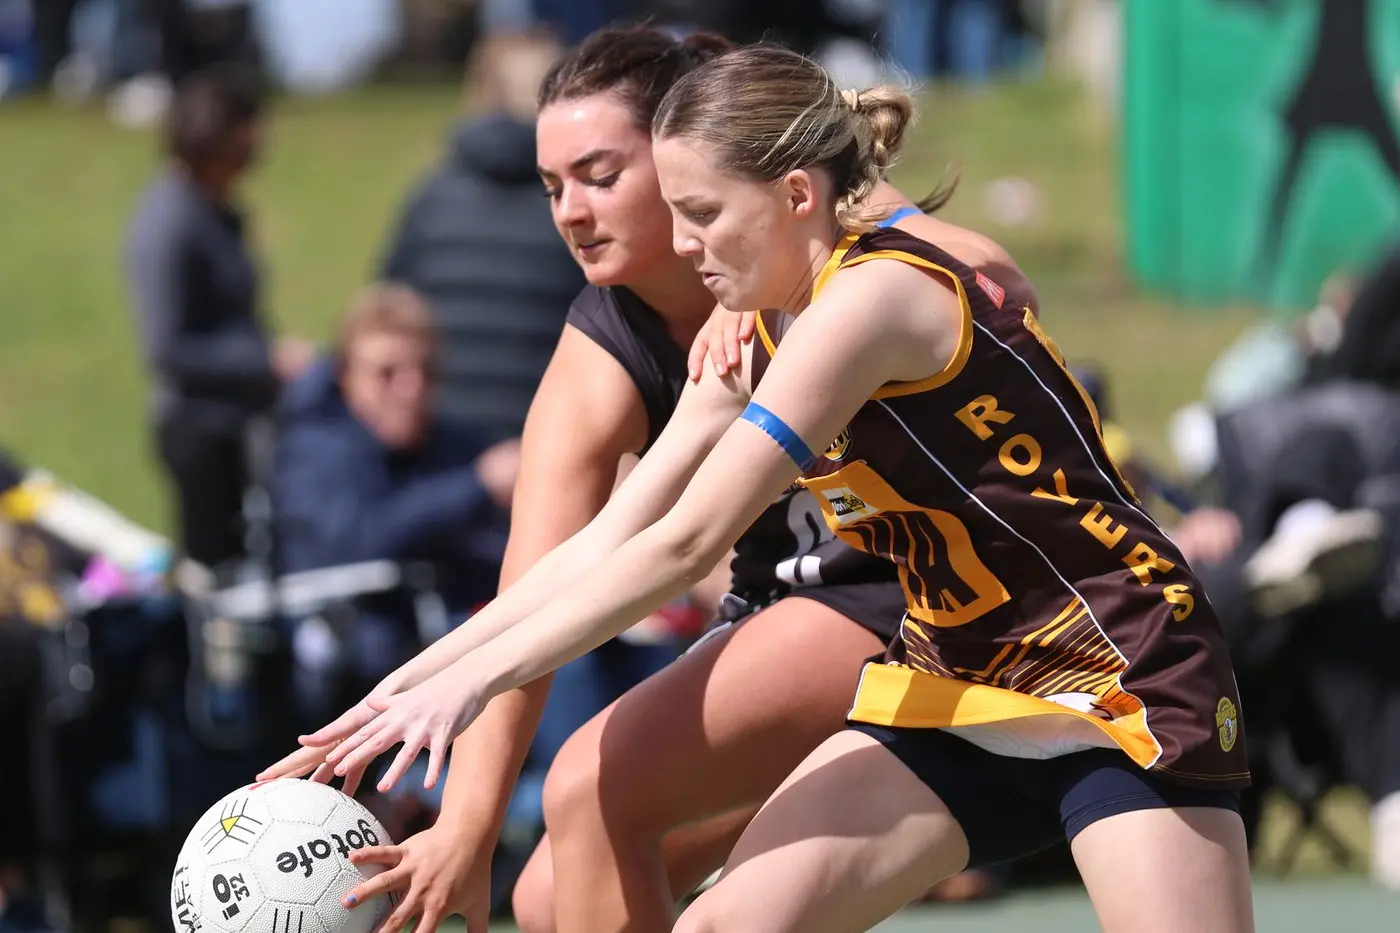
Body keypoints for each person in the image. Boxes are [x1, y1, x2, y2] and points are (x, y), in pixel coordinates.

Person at [259, 25, 1034, 933]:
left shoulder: (817, 228)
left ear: (679, 152)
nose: (570, 211)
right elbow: (551, 570)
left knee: (591, 784)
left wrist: (802, 299)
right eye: (552, 186)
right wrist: (460, 812)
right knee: (549, 897)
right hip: (782, 601)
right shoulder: (608, 346)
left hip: (915, 597)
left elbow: (996, 282)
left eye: (599, 175)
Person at [274, 283, 521, 719]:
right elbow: (362, 538)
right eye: (387, 373)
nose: (411, 388)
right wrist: (478, 486)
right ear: (346, 376)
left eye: (426, 370)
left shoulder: (453, 442)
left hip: (456, 636)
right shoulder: (316, 450)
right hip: (363, 665)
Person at [126, 62, 314, 575]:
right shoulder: (170, 221)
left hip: (239, 420)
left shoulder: (216, 210)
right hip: (199, 428)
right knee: (216, 570)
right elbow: (167, 348)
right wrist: (266, 360)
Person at [377, 31, 585, 442]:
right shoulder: (576, 205)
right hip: (547, 436)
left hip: (446, 442)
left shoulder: (430, 199)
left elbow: (388, 310)